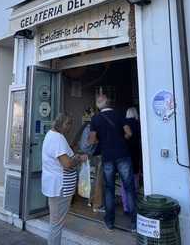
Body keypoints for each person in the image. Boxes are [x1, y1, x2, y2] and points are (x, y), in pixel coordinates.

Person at [89, 92, 137, 232]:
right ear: (109, 103)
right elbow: (129, 133)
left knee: (109, 189)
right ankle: (134, 223)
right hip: (123, 154)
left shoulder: (95, 119)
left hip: (107, 157)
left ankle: (110, 222)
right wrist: (121, 139)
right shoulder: (119, 114)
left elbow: (92, 140)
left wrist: (102, 141)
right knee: (129, 188)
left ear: (98, 106)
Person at [42, 114, 87, 245]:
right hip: (60, 187)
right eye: (68, 124)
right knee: (56, 224)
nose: (70, 127)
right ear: (61, 124)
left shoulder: (51, 135)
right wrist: (79, 159)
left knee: (55, 222)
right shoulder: (57, 139)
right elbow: (66, 164)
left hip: (56, 186)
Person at [120, 107, 141, 213]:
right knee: (135, 181)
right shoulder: (138, 124)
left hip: (124, 156)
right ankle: (134, 205)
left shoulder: (123, 124)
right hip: (136, 155)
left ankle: (126, 207)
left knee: (124, 183)